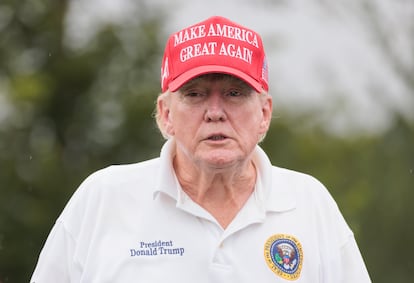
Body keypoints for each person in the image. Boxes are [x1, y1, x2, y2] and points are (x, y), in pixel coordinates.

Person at [30, 16, 371, 282]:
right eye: (194, 94)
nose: (215, 111)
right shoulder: (102, 199)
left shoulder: (310, 204)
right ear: (165, 114)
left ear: (264, 113)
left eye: (235, 93)